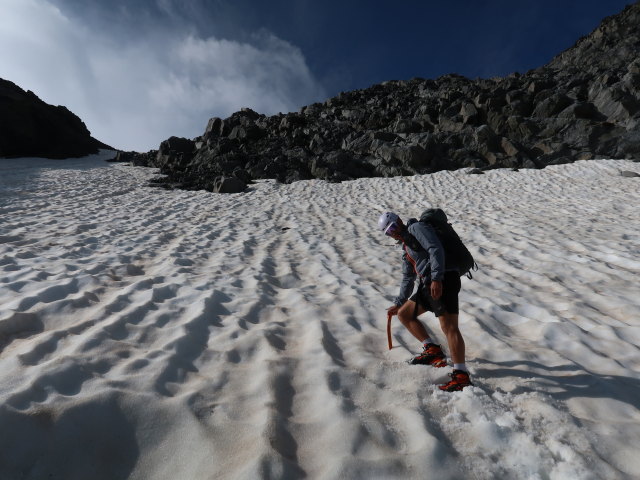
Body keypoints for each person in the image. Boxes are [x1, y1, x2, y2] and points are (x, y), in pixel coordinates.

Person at [378, 211, 473, 392]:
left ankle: (461, 376)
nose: (394, 233)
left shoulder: (416, 228)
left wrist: (437, 278)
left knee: (449, 326)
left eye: (393, 227)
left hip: (443, 278)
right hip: (428, 284)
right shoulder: (406, 246)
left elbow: (435, 248)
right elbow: (408, 277)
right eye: (389, 232)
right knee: (405, 314)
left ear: (399, 220)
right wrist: (399, 302)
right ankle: (432, 350)